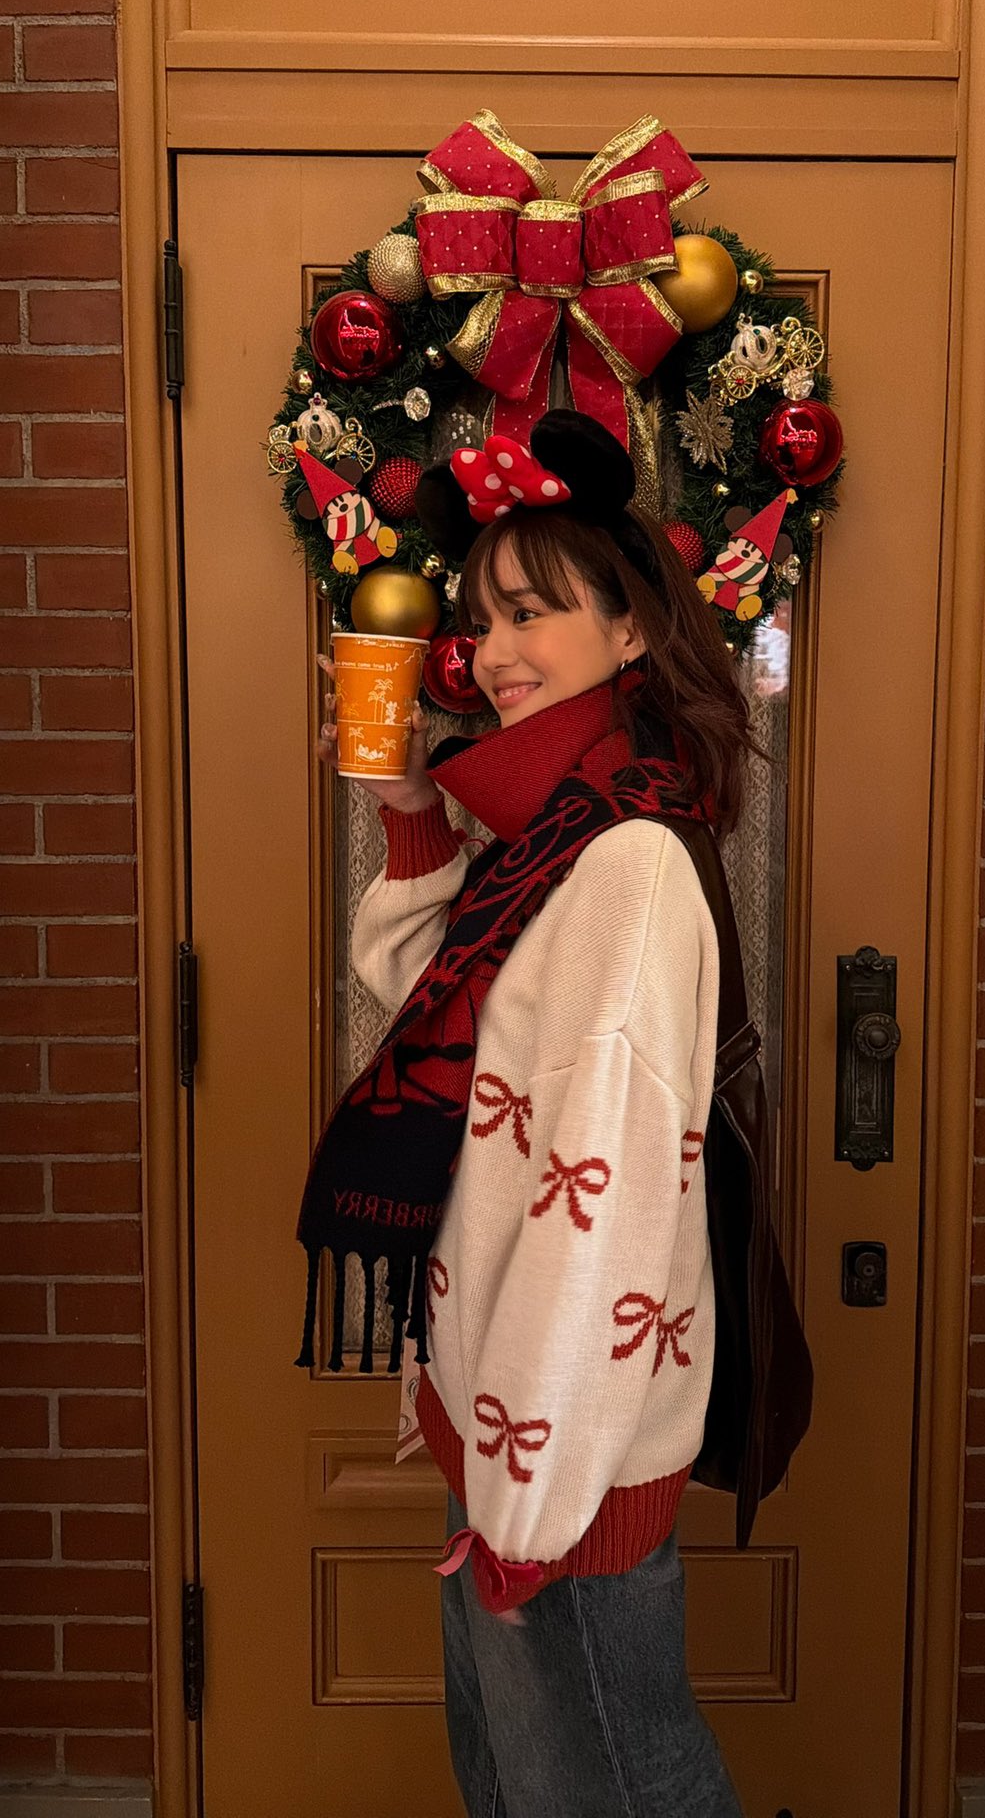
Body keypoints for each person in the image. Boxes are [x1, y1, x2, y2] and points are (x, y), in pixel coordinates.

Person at [304, 409, 763, 1818]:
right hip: (505, 1417)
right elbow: (448, 1023)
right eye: (482, 616)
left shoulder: (625, 858)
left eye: (533, 613)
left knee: (609, 1790)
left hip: (558, 1459)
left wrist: (533, 1500)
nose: (494, 651)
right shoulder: (548, 833)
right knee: (514, 1782)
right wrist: (412, 814)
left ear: (630, 631)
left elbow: (604, 1212)